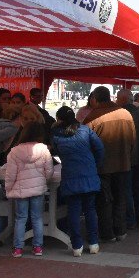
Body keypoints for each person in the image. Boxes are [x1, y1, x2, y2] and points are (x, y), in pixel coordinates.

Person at [83, 86, 136, 242]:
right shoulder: (126, 114)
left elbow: (85, 142)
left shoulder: (93, 116)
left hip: (102, 166)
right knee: (121, 198)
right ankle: (120, 230)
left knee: (104, 200)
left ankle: (107, 233)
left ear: (94, 99)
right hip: (123, 163)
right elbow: (133, 140)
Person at [52, 106, 104, 257]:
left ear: (59, 119)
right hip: (89, 174)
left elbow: (55, 152)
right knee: (90, 210)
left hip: (70, 176)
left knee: (73, 211)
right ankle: (94, 243)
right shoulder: (86, 130)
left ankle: (77, 246)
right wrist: (94, 164)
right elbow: (100, 149)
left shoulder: (56, 135)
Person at [5, 122, 56, 258]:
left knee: (21, 218)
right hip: (38, 189)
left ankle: (18, 248)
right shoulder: (44, 149)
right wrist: (44, 181)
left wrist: (8, 189)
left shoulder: (14, 151)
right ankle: (38, 247)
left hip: (20, 191)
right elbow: (49, 171)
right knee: (37, 218)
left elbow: (10, 174)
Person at [116, 89, 139, 229]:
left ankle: (130, 219)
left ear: (122, 99)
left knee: (126, 191)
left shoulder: (122, 115)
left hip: (127, 159)